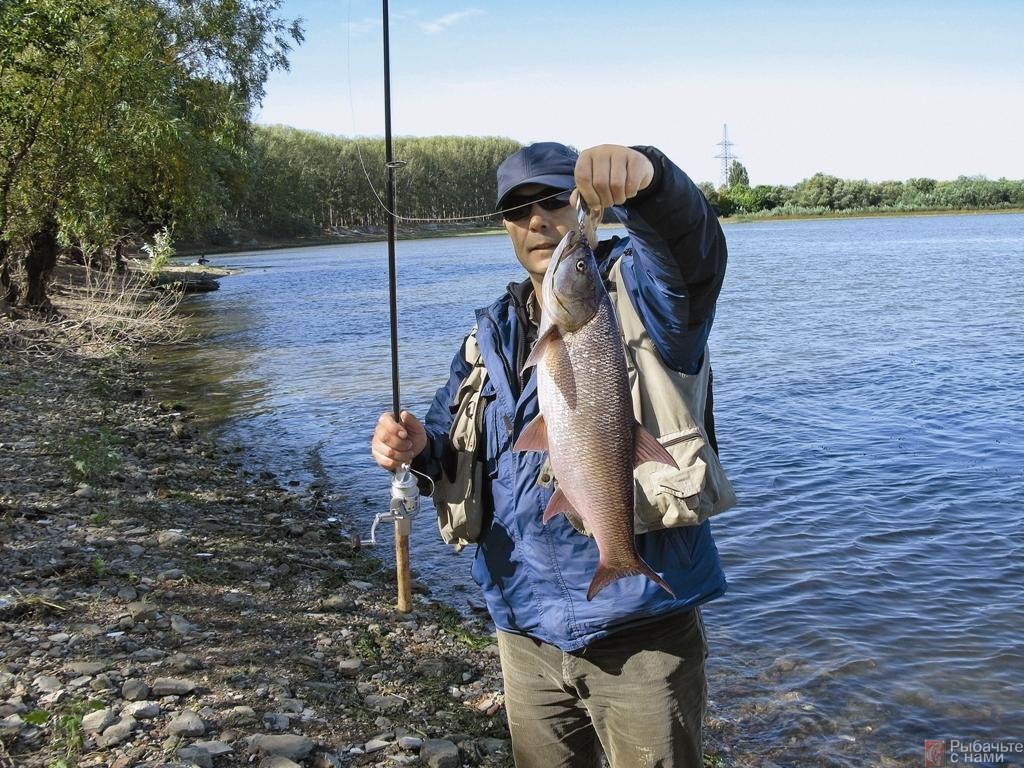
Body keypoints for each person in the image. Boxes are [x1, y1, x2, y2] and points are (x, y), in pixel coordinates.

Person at [371, 142, 732, 767]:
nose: (537, 221)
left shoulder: (645, 298)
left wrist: (651, 181)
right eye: (517, 210)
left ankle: (615, 558)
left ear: (585, 204)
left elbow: (693, 254)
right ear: (506, 226)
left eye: (552, 201)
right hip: (524, 632)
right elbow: (450, 456)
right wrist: (414, 447)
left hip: (643, 633)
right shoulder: (489, 337)